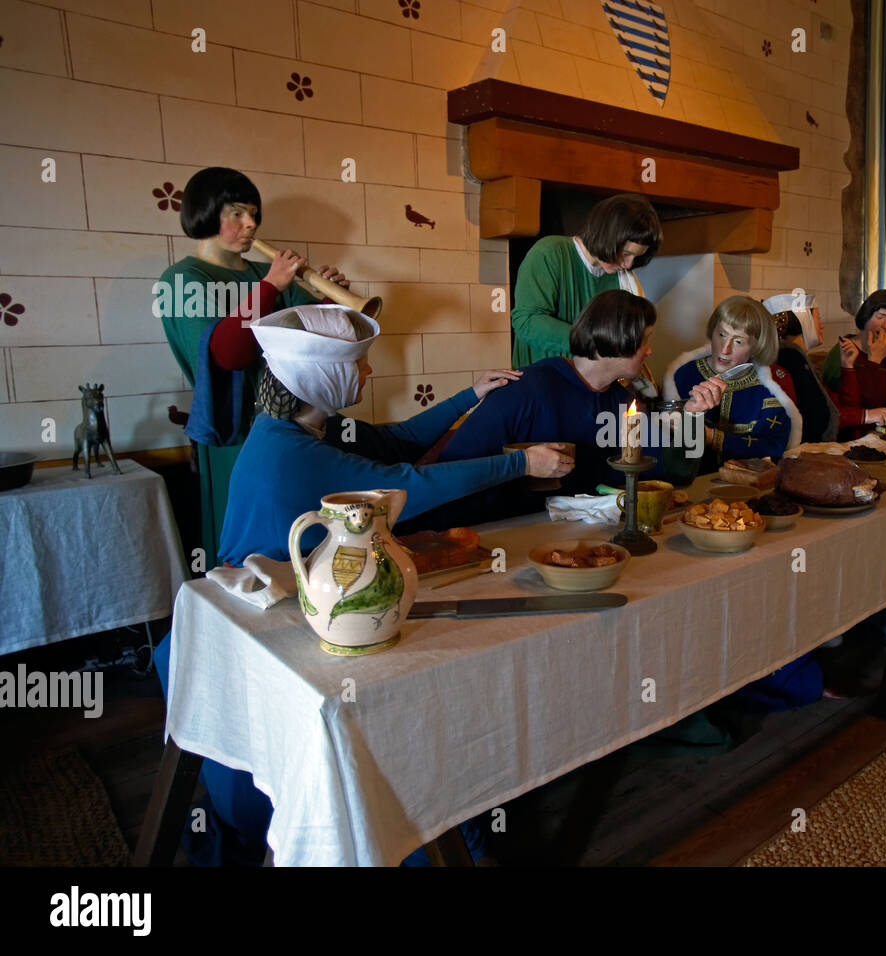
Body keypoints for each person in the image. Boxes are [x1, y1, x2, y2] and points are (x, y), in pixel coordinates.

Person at [155, 303, 572, 866]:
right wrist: (518, 465)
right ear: (321, 377)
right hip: (277, 625)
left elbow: (396, 441)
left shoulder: (297, 427)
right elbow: (402, 482)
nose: (370, 374)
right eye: (360, 365)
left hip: (302, 602)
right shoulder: (291, 451)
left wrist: (470, 395)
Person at [158, 166, 349, 566]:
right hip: (235, 429)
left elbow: (312, 336)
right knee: (247, 539)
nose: (251, 224)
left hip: (292, 422)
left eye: (254, 214)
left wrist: (331, 298)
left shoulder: (266, 273)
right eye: (237, 213)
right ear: (206, 213)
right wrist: (271, 287)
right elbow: (228, 356)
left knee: (300, 527)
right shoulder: (183, 280)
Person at [438, 289, 724, 524]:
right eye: (644, 341)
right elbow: (450, 475)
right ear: (617, 338)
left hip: (582, 536)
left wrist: (694, 416)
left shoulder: (623, 401)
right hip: (500, 535)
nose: (649, 350)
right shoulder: (524, 391)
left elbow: (675, 472)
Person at [511, 194, 662, 370]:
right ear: (606, 236)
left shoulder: (625, 280)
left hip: (591, 387)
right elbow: (527, 321)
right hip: (540, 381)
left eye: (636, 257)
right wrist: (596, 346)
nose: (628, 264)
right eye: (625, 253)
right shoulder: (549, 253)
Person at [663, 295, 802, 473]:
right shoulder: (682, 375)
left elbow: (772, 446)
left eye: (738, 341)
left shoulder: (771, 385)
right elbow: (668, 447)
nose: (724, 349)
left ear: (757, 347)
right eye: (721, 334)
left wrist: (711, 436)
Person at [820, 289, 886, 440]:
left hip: (879, 435)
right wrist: (873, 362)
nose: (885, 325)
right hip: (848, 438)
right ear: (867, 315)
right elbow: (844, 409)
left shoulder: (884, 354)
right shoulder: (843, 350)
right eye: (880, 316)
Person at [763, 294, 839, 444]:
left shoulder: (791, 355)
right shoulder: (791, 357)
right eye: (819, 318)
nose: (822, 325)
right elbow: (815, 413)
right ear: (804, 321)